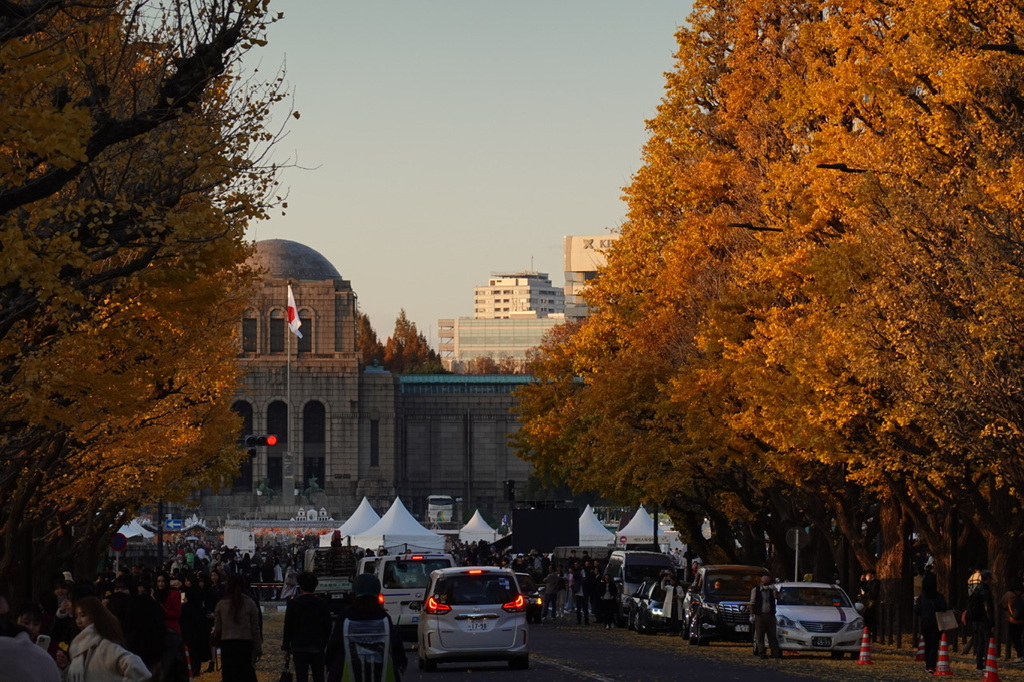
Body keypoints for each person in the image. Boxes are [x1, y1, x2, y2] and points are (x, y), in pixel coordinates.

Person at [325, 573, 406, 682]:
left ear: (354, 593)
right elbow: (396, 644)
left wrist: (328, 663)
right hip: (380, 672)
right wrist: (402, 663)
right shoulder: (383, 617)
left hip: (349, 673)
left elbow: (334, 644)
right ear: (377, 593)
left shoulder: (345, 616)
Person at [66, 596, 151, 682]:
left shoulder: (106, 645)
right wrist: (65, 666)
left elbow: (139, 670)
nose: (78, 621)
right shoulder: (79, 648)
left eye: (82, 615)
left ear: (95, 614)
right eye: (76, 616)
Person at [211, 572, 262, 682]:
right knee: (246, 675)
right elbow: (255, 629)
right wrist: (258, 648)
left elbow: (218, 628)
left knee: (229, 675)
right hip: (245, 644)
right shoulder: (250, 603)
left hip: (227, 644)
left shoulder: (221, 604)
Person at [282, 572, 332, 682]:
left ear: (300, 586)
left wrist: (286, 646)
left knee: (301, 677)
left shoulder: (293, 604)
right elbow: (328, 626)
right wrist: (324, 642)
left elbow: (288, 626)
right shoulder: (321, 603)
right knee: (319, 676)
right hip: (317, 646)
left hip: (298, 646)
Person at [0, 616, 62, 682]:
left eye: (36, 624)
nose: (31, 627)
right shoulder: (47, 659)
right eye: (26, 623)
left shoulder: (49, 653)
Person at [914, 572, 948, 674]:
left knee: (927, 644)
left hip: (925, 622)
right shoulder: (939, 596)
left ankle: (928, 664)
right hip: (936, 623)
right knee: (934, 644)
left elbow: (917, 610)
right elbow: (944, 608)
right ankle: (932, 665)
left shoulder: (922, 597)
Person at [964, 569, 995, 671]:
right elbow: (987, 607)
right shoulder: (985, 591)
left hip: (976, 619)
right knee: (987, 641)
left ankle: (979, 664)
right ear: (987, 579)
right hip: (984, 619)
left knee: (980, 642)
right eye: (990, 578)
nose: (992, 580)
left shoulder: (977, 589)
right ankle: (987, 662)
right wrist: (991, 622)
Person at [750, 574, 781, 659]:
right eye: (765, 583)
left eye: (768, 583)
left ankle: (775, 653)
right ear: (761, 583)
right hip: (760, 615)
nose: (766, 585)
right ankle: (762, 653)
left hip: (770, 615)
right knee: (760, 635)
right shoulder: (755, 590)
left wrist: (775, 590)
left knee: (772, 635)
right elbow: (752, 603)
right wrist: (752, 615)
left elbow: (778, 598)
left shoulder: (771, 591)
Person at [1002, 574, 1024, 663]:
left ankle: (1020, 655)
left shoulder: (1009, 594)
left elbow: (1003, 604)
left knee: (1015, 638)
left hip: (1013, 620)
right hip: (1023, 620)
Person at [858, 570, 880, 639]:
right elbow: (862, 588)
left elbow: (874, 594)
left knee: (869, 619)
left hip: (870, 604)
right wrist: (861, 581)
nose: (866, 576)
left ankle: (871, 635)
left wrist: (865, 595)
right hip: (865, 603)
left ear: (872, 575)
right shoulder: (868, 582)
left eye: (868, 574)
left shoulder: (875, 583)